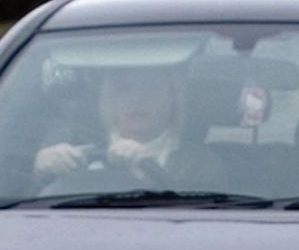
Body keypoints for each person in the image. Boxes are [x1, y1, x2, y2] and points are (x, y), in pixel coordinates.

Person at [34, 63, 188, 186]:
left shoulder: (200, 162)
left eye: (151, 88)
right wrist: (41, 170)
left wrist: (150, 170)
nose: (137, 99)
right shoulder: (78, 150)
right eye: (123, 90)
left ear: (172, 100)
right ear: (108, 101)